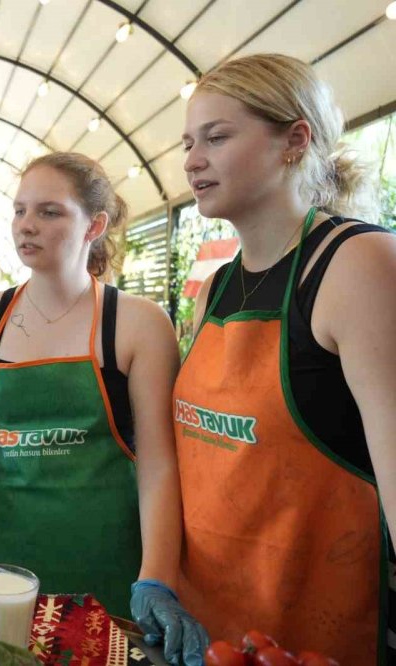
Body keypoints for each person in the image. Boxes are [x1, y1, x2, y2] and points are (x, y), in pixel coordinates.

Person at [0, 152, 206, 661]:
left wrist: (156, 576)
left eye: (49, 212)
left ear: (94, 224)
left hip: (107, 561)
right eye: (20, 211)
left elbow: (158, 462)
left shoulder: (136, 323)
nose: (27, 225)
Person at [177, 53, 395, 664]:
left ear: (295, 140)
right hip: (205, 628)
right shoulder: (216, 289)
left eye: (217, 137)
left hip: (313, 634)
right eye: (189, 142)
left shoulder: (358, 265)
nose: (193, 160)